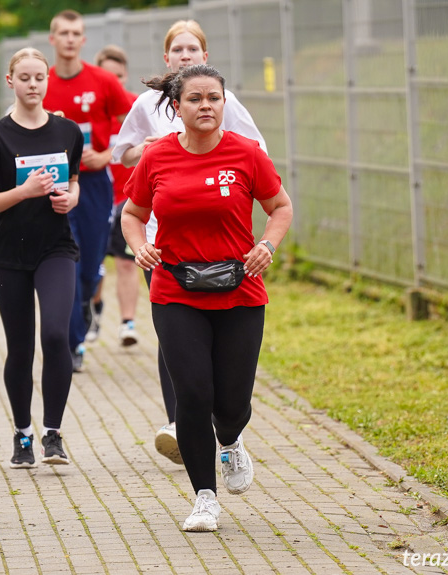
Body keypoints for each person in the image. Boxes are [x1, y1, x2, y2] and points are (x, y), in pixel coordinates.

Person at [121, 64, 293, 532]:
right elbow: (132, 213)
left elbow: (280, 207)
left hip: (240, 289)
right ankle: (204, 497)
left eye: (213, 98)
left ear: (224, 103)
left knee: (232, 401)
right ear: (176, 107)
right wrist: (140, 246)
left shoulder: (247, 154)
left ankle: (231, 440)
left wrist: (266, 245)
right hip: (175, 289)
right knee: (193, 393)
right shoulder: (156, 157)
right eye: (195, 99)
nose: (206, 106)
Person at [111, 19, 267, 465]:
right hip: (161, 241)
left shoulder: (223, 101)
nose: (184, 56)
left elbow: (256, 151)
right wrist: (162, 148)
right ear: (166, 59)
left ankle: (225, 423)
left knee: (219, 345)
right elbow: (122, 152)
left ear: (205, 56)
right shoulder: (147, 104)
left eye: (192, 49)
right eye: (176, 49)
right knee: (175, 330)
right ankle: (182, 420)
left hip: (220, 245)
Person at [0, 48, 84, 468]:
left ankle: (53, 433)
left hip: (56, 248)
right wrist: (24, 192)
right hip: (10, 254)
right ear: (10, 81)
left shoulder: (68, 132)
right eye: (25, 77)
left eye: (40, 77)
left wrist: (70, 199)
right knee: (21, 349)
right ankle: (23, 435)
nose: (34, 84)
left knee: (56, 334)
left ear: (48, 80)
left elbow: (72, 182)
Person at [43, 9, 132, 372]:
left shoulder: (102, 81)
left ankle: (83, 305)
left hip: (95, 185)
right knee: (67, 259)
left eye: (75, 33)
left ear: (83, 40)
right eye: (62, 32)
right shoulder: (41, 81)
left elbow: (133, 120)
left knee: (91, 265)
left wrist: (109, 154)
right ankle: (73, 343)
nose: (68, 39)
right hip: (53, 186)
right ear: (53, 39)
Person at [90, 44, 140, 347]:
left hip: (128, 199)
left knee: (125, 262)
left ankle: (127, 323)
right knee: (93, 264)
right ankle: (93, 311)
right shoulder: (90, 109)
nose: (114, 83)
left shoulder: (136, 107)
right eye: (108, 76)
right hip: (95, 198)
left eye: (119, 77)